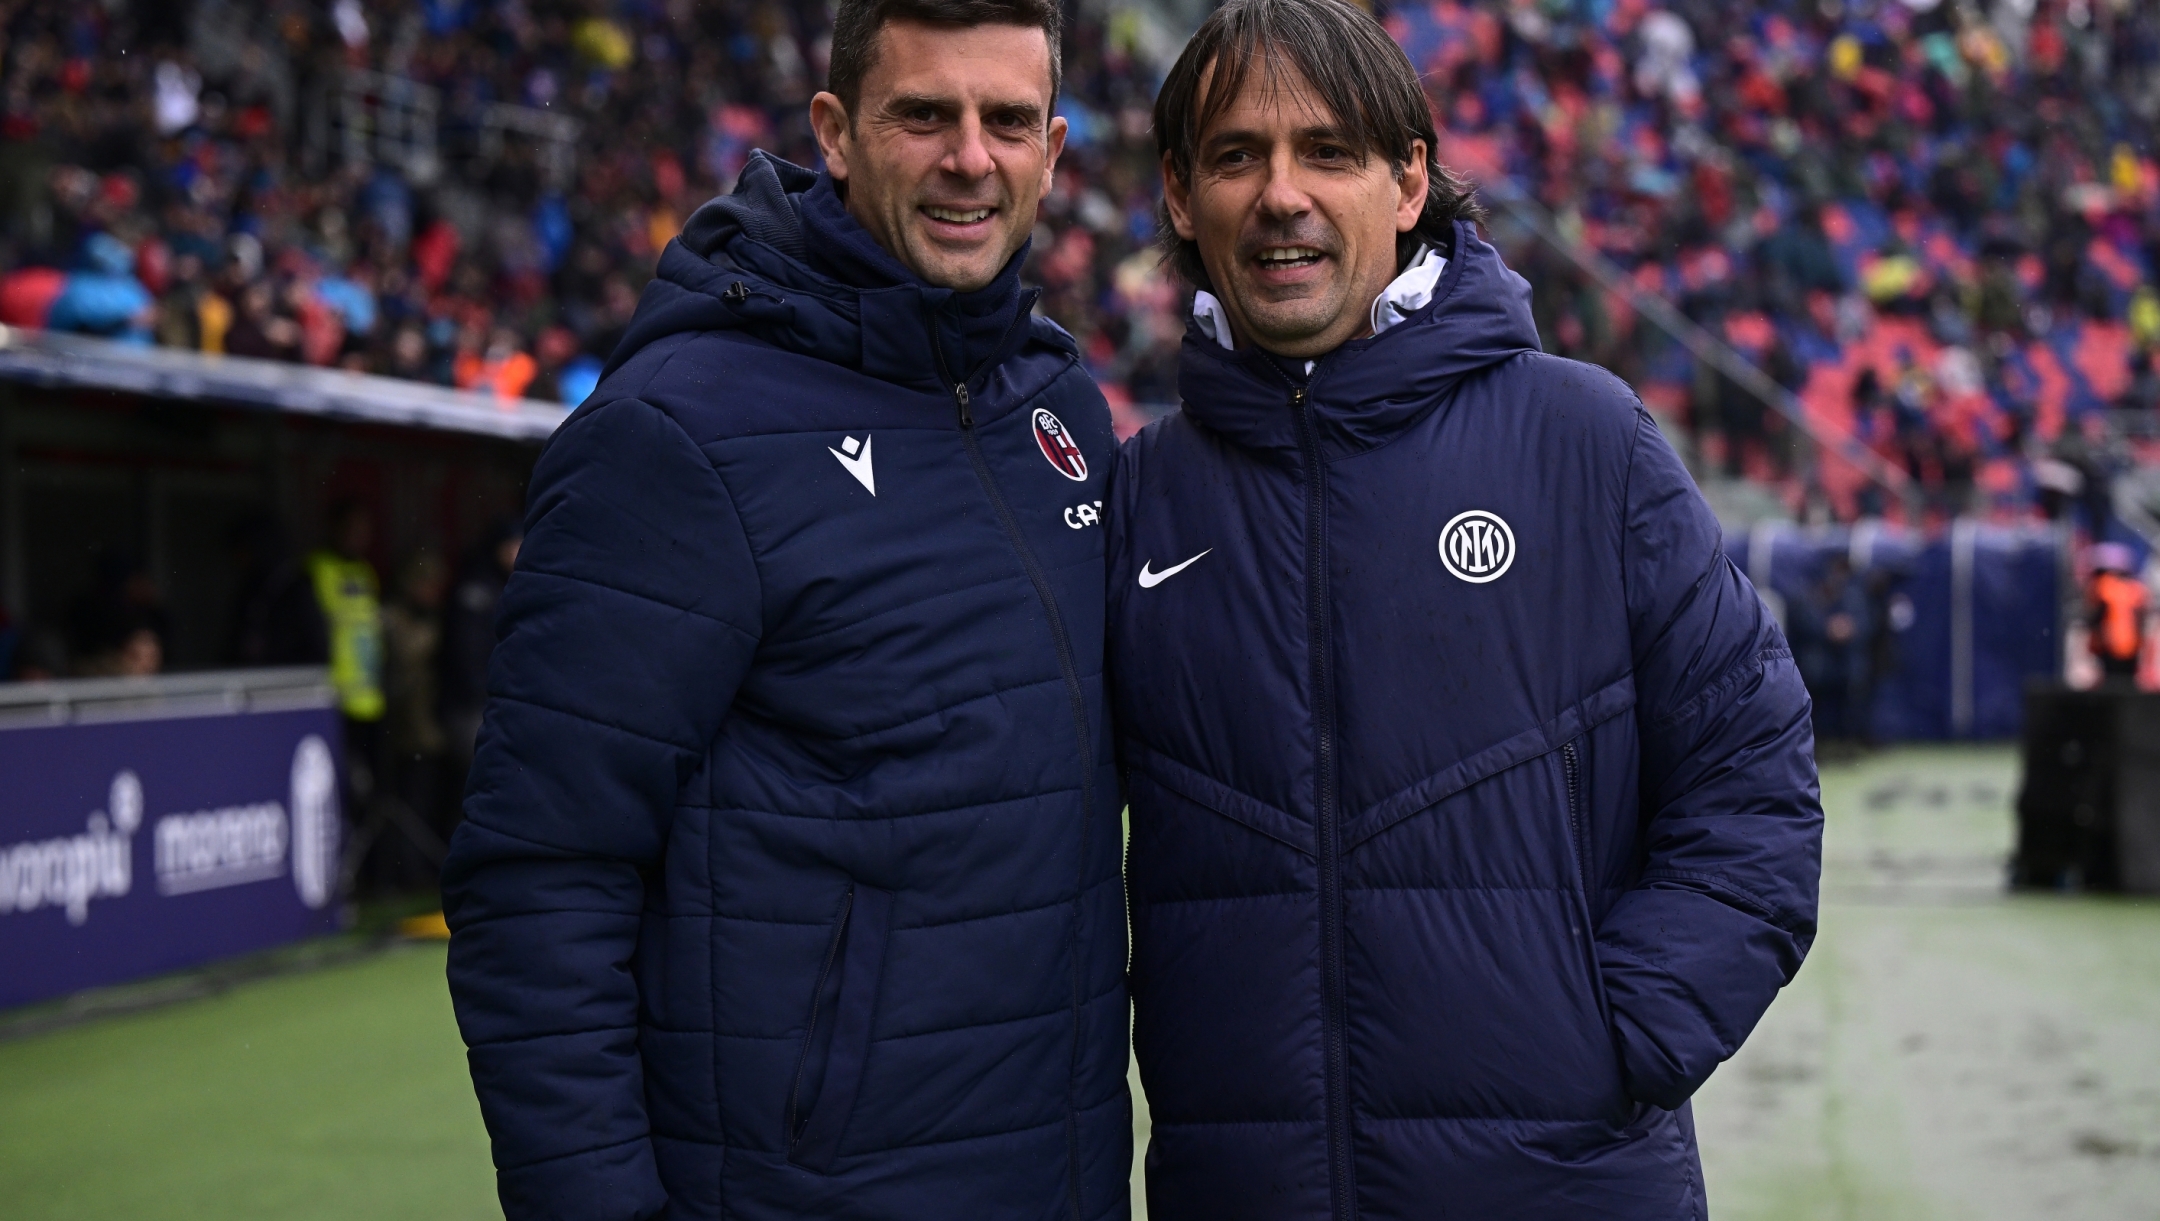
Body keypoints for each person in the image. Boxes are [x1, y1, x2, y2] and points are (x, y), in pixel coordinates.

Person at [1103, 1, 1823, 1216]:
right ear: (1181, 196)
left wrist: (1616, 1042)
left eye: (1329, 152)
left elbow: (1753, 778)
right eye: (1237, 156)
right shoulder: (1143, 495)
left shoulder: (1586, 441)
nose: (1283, 194)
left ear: (1408, 181)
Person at [440, 0, 1128, 1216]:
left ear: (1055, 151)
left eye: (1007, 121)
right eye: (924, 115)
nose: (972, 157)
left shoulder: (1059, 410)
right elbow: (540, 874)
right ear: (836, 133)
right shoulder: (680, 432)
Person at [2085, 542, 2147, 686]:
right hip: (2132, 647)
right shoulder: (2134, 588)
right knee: (2127, 684)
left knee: (2112, 684)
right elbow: (2140, 619)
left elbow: (2098, 618)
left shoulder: (2103, 586)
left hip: (2110, 645)